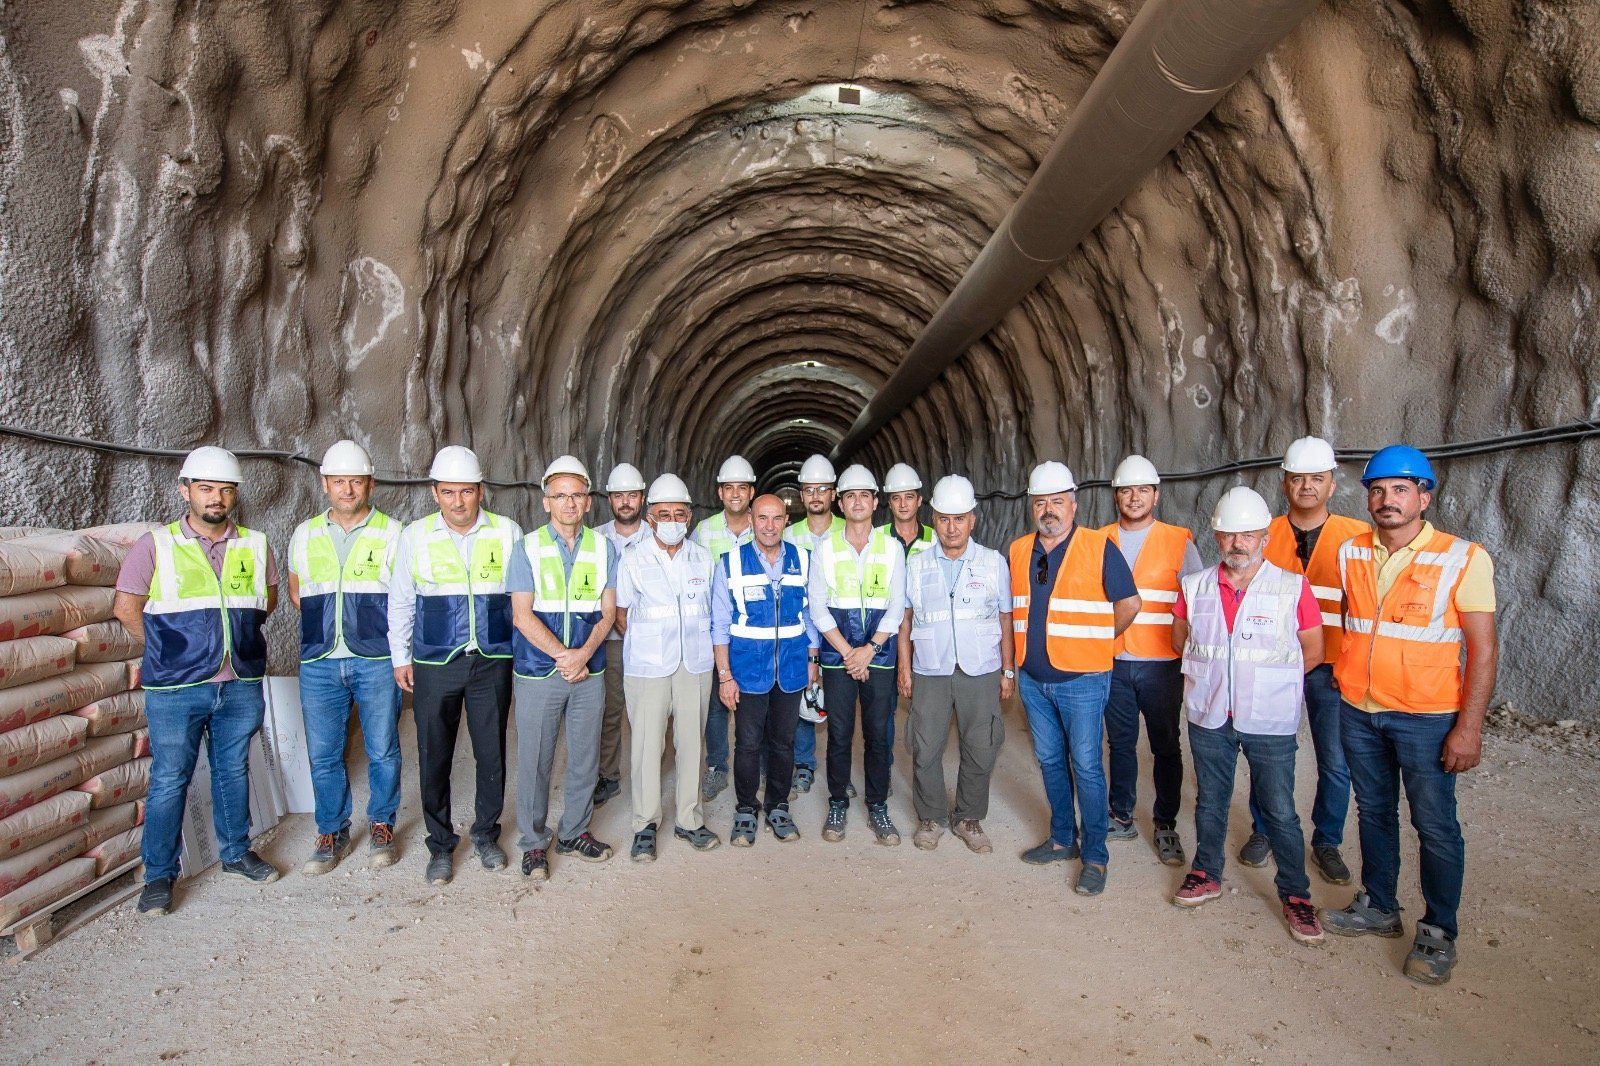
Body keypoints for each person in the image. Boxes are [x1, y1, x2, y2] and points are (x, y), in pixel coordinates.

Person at [1321, 446, 1497, 986]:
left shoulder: (1463, 557)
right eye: (1377, 490)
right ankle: (1379, 905)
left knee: (1435, 824)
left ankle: (1439, 930)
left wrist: (1467, 728)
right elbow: (1357, 623)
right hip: (1360, 709)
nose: (1386, 500)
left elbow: (1483, 651)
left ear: (1424, 496)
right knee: (1373, 811)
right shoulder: (1352, 551)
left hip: (1426, 716)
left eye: (1401, 489)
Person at [115, 447, 281, 916]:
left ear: (235, 495)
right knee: (170, 779)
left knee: (232, 770)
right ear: (185, 490)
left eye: (226, 489)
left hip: (239, 681)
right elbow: (126, 607)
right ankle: (159, 876)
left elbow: (265, 601)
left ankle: (236, 853)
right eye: (207, 488)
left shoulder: (255, 543)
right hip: (176, 688)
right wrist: (166, 653)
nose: (217, 497)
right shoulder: (156, 545)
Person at [1169, 487, 1326, 945]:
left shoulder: (1291, 587)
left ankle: (1296, 896)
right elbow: (1182, 640)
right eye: (1229, 534)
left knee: (1279, 810)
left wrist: (1266, 682)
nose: (1239, 543)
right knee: (1211, 801)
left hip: (1269, 718)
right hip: (1210, 712)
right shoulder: (1195, 586)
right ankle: (1206, 872)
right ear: (1216, 535)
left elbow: (1312, 650)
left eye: (1249, 535)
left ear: (1265, 537)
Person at [388, 445, 521, 886]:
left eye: (466, 491)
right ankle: (440, 844)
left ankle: (485, 833)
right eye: (449, 493)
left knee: (491, 752)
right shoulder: (415, 536)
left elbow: (522, 597)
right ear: (434, 493)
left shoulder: (507, 532)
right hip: (434, 659)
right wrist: (400, 655)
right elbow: (402, 599)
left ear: (481, 490)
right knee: (434, 753)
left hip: (492, 659)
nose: (458, 502)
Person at [1241, 436, 1369, 884]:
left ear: (1332, 485)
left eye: (1317, 478)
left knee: (1335, 760)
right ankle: (1265, 829)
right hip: (1271, 663)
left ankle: (1327, 840)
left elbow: (1367, 611)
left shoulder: (1356, 539)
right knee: (1270, 751)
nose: (1307, 486)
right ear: (1285, 483)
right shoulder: (1263, 533)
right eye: (1299, 478)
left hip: (1333, 667)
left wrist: (1354, 666)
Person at [1009, 461, 1140, 896]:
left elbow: (1130, 603)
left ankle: (1096, 856)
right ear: (1032, 507)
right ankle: (1063, 839)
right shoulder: (1018, 550)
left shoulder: (1098, 546)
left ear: (1074, 504)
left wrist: (1099, 644)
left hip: (1083, 678)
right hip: (1033, 676)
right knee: (1049, 760)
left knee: (1085, 764)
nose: (1050, 509)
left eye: (1058, 501)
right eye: (1042, 502)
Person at [287, 440, 403, 875]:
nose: (348, 489)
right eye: (339, 481)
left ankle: (381, 824)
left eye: (356, 481)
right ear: (325, 484)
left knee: (383, 748)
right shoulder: (305, 532)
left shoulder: (392, 532)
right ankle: (331, 831)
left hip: (374, 657)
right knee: (324, 754)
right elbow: (297, 589)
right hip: (319, 660)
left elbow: (404, 597)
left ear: (370, 484)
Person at [508, 456, 620, 880]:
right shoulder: (528, 547)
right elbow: (522, 615)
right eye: (560, 495)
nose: (569, 503)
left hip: (588, 672)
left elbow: (608, 613)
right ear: (545, 502)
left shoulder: (602, 547)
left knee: (585, 756)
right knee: (535, 758)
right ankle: (534, 842)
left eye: (577, 495)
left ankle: (574, 831)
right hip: (540, 671)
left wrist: (583, 654)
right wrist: (564, 655)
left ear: (588, 502)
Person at [897, 476, 1013, 853]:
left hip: (980, 669)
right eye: (944, 519)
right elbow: (906, 620)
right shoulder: (916, 564)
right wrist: (904, 667)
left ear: (972, 521)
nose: (951, 527)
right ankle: (930, 817)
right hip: (930, 668)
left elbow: (1005, 619)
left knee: (981, 745)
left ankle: (968, 818)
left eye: (959, 519)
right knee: (925, 745)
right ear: (934, 520)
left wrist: (1007, 671)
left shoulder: (993, 563)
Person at [1098, 455, 1203, 866]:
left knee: (1165, 745)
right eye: (1126, 490)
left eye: (1143, 490)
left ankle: (1164, 824)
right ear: (1116, 496)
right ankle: (1121, 815)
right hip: (1114, 660)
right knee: (1120, 743)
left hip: (1162, 663)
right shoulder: (1098, 539)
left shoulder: (1180, 540)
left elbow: (1197, 603)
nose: (1134, 497)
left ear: (1156, 495)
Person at [614, 474, 720, 860]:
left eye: (679, 513)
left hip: (694, 664)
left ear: (689, 517)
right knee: (646, 745)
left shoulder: (704, 559)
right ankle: (645, 823)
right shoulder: (632, 558)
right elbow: (621, 614)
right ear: (650, 518)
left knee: (692, 742)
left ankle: (689, 819)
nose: (672, 520)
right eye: (663, 514)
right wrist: (650, 642)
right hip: (648, 666)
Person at [712, 494, 820, 845]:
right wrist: (725, 676)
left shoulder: (803, 561)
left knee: (784, 743)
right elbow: (719, 626)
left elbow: (811, 618)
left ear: (786, 520)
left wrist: (813, 663)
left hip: (789, 670)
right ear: (751, 520)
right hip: (748, 672)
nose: (769, 526)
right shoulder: (730, 563)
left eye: (776, 518)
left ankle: (777, 806)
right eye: (762, 518)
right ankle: (746, 809)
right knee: (747, 744)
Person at [811, 465, 907, 846]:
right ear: (840, 501)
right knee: (838, 734)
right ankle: (837, 803)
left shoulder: (891, 548)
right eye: (850, 496)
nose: (857, 502)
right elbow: (818, 609)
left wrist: (869, 650)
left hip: (878, 656)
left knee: (879, 735)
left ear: (875, 502)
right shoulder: (826, 549)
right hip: (840, 657)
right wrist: (851, 653)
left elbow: (897, 607)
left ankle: (878, 806)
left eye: (864, 495)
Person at [692, 454, 757, 801]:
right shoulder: (704, 531)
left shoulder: (762, 528)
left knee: (755, 700)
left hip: (753, 633)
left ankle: (755, 763)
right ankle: (717, 766)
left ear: (751, 492)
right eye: (728, 487)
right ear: (720, 493)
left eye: (741, 488)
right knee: (717, 704)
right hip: (715, 631)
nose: (735, 494)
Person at [782, 453, 844, 794]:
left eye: (823, 488)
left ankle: (840, 769)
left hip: (842, 632)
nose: (816, 495)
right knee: (802, 698)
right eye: (809, 489)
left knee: (840, 703)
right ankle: (804, 764)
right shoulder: (788, 537)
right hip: (801, 630)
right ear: (802, 495)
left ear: (833, 494)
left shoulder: (849, 531)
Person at [594, 462, 651, 810]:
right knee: (610, 710)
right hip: (611, 643)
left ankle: (648, 776)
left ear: (642, 498)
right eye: (619, 496)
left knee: (650, 711)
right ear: (609, 500)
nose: (626, 502)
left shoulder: (660, 534)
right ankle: (608, 775)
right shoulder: (596, 539)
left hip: (650, 641)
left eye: (632, 495)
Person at [879, 463, 935, 558]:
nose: (903, 504)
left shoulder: (935, 538)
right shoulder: (876, 537)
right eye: (896, 498)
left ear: (919, 501)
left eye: (909, 497)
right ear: (890, 504)